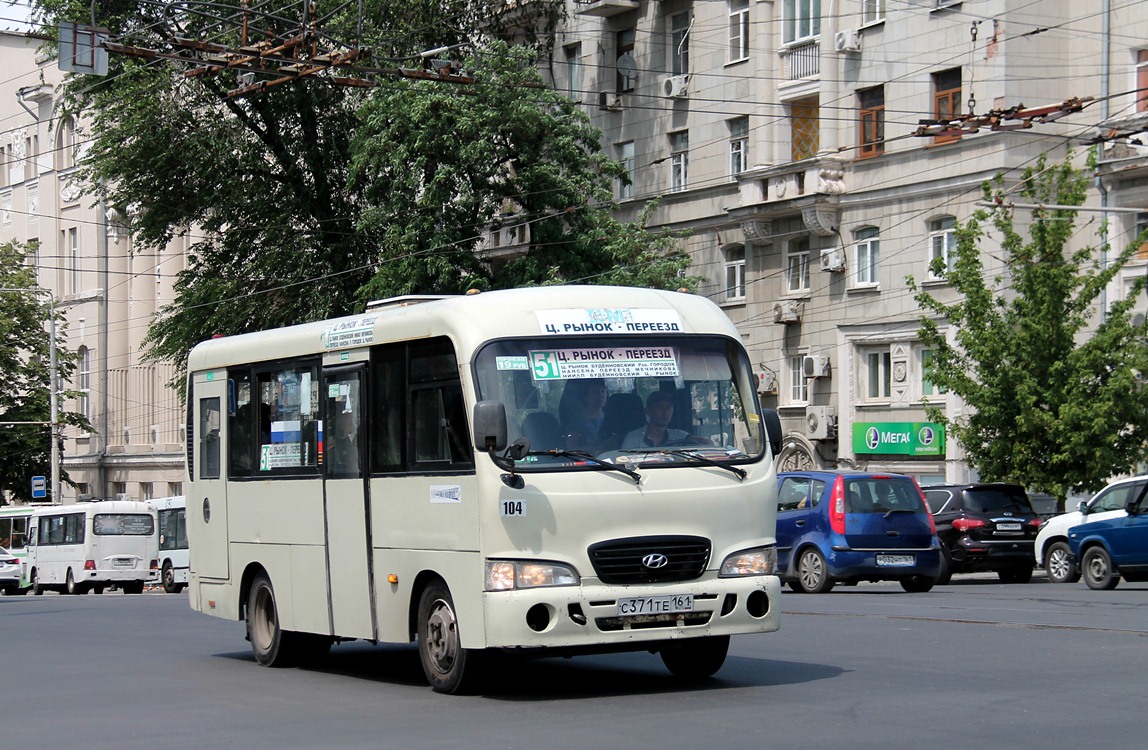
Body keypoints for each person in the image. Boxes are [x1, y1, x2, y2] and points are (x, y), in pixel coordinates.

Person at [621, 390, 699, 449]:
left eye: (668, 407)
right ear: (648, 411)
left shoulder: (679, 436)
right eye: (660, 407)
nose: (665, 411)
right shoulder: (632, 438)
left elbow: (707, 443)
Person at [558, 378, 608, 452]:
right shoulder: (576, 422)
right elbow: (572, 450)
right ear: (586, 397)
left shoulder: (611, 419)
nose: (600, 395)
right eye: (595, 392)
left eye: (602, 391)